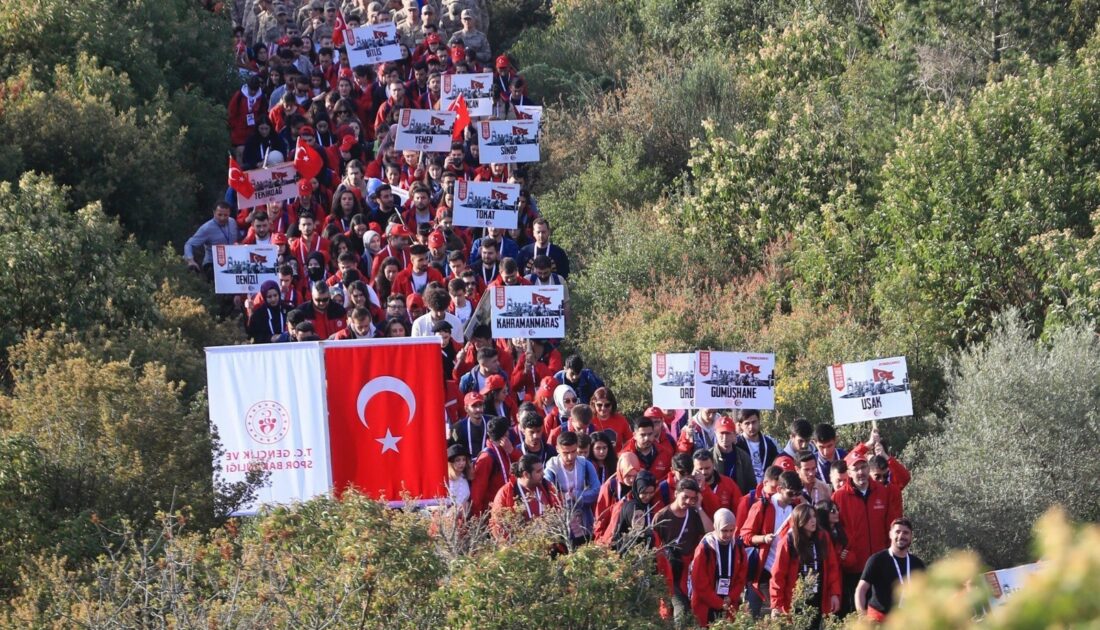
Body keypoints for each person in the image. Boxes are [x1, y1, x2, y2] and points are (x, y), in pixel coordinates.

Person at [832, 449, 902, 614]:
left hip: (880, 565)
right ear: (849, 472)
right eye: (855, 469)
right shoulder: (838, 497)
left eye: (863, 467)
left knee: (883, 614)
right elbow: (834, 531)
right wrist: (843, 553)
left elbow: (891, 527)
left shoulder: (882, 491)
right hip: (854, 567)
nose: (861, 472)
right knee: (858, 614)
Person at [740, 470, 804, 617]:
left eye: (797, 493)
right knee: (756, 614)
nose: (794, 497)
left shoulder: (796, 509)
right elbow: (744, 536)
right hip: (763, 568)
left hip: (785, 569)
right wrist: (763, 538)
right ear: (780, 489)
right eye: (791, 494)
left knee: (782, 614)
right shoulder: (762, 506)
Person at [653, 478, 714, 626]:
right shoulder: (662, 516)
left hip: (688, 571)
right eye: (685, 497)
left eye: (692, 498)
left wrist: (699, 507)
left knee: (686, 608)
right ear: (676, 493)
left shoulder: (693, 514)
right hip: (668, 570)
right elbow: (653, 546)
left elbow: (711, 530)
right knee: (672, 609)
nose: (688, 501)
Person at [769, 503, 842, 622]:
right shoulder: (788, 541)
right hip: (795, 598)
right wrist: (776, 605)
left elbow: (832, 567)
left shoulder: (823, 537)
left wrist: (834, 593)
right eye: (808, 518)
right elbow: (778, 575)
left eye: (814, 516)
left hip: (818, 595)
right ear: (800, 520)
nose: (813, 521)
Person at [855, 518, 925, 622]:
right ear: (890, 534)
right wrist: (862, 616)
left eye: (906, 533)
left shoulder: (918, 564)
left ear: (911, 537)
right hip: (878, 620)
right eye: (897, 532)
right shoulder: (877, 560)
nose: (901, 536)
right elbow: (861, 589)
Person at [689, 508, 748, 627]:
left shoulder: (738, 547)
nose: (728, 534)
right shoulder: (705, 548)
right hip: (706, 604)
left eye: (732, 530)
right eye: (724, 530)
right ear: (715, 527)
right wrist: (718, 602)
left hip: (728, 603)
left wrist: (730, 597)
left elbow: (741, 578)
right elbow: (699, 582)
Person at [544, 430, 601, 545]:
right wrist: (563, 497)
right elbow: (548, 495)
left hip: (584, 519)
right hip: (562, 521)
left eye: (574, 451)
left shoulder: (585, 464)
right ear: (557, 449)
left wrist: (577, 495)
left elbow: (596, 490)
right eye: (565, 453)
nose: (570, 457)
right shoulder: (551, 468)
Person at [490, 454, 559, 539]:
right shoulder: (505, 493)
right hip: (520, 547)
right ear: (526, 474)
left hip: (549, 544)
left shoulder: (547, 487)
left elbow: (559, 513)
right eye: (538, 471)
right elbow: (498, 525)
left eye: (542, 470)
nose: (543, 473)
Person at [469, 416, 519, 515]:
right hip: (492, 514)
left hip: (507, 509)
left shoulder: (506, 449)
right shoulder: (486, 458)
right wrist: (479, 522)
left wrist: (512, 452)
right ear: (505, 434)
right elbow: (477, 493)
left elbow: (524, 466)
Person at [593, 452, 641, 541]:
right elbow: (600, 517)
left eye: (635, 476)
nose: (631, 480)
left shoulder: (641, 485)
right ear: (621, 471)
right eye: (628, 476)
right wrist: (600, 540)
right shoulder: (610, 487)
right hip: (612, 537)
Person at [184, 202, 237, 279]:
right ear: (214, 212)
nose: (222, 218)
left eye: (225, 215)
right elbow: (189, 244)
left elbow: (239, 238)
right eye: (219, 215)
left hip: (232, 262)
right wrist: (190, 260)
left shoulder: (232, 222)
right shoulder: (206, 228)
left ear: (229, 213)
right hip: (212, 264)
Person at [712, 416, 756, 496]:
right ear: (715, 433)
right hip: (715, 502)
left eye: (728, 433)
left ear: (734, 435)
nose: (725, 437)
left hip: (739, 501)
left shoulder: (744, 457)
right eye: (721, 433)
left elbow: (751, 485)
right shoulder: (709, 456)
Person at [734, 409, 780, 486]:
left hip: (766, 489)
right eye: (747, 423)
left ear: (759, 421)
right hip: (745, 490)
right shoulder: (736, 444)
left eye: (754, 422)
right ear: (740, 425)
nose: (751, 427)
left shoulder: (769, 443)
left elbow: (776, 465)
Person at [450, 392, 487, 457]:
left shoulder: (491, 422)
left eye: (480, 405)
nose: (478, 409)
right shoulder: (458, 428)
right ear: (466, 409)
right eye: (474, 406)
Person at [446, 444, 471, 516]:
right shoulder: (446, 480)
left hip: (463, 519)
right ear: (451, 462)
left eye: (464, 459)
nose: (462, 463)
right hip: (448, 519)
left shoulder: (465, 477)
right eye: (458, 460)